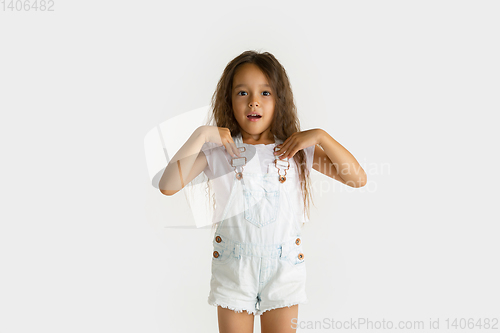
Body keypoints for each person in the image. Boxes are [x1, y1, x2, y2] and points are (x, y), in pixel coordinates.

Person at [159, 50, 367, 333]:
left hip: (283, 269)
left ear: (279, 100)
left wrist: (320, 136)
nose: (253, 101)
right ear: (229, 100)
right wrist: (201, 135)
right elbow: (168, 185)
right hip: (235, 269)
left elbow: (357, 178)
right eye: (242, 93)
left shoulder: (295, 150)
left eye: (265, 93)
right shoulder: (220, 152)